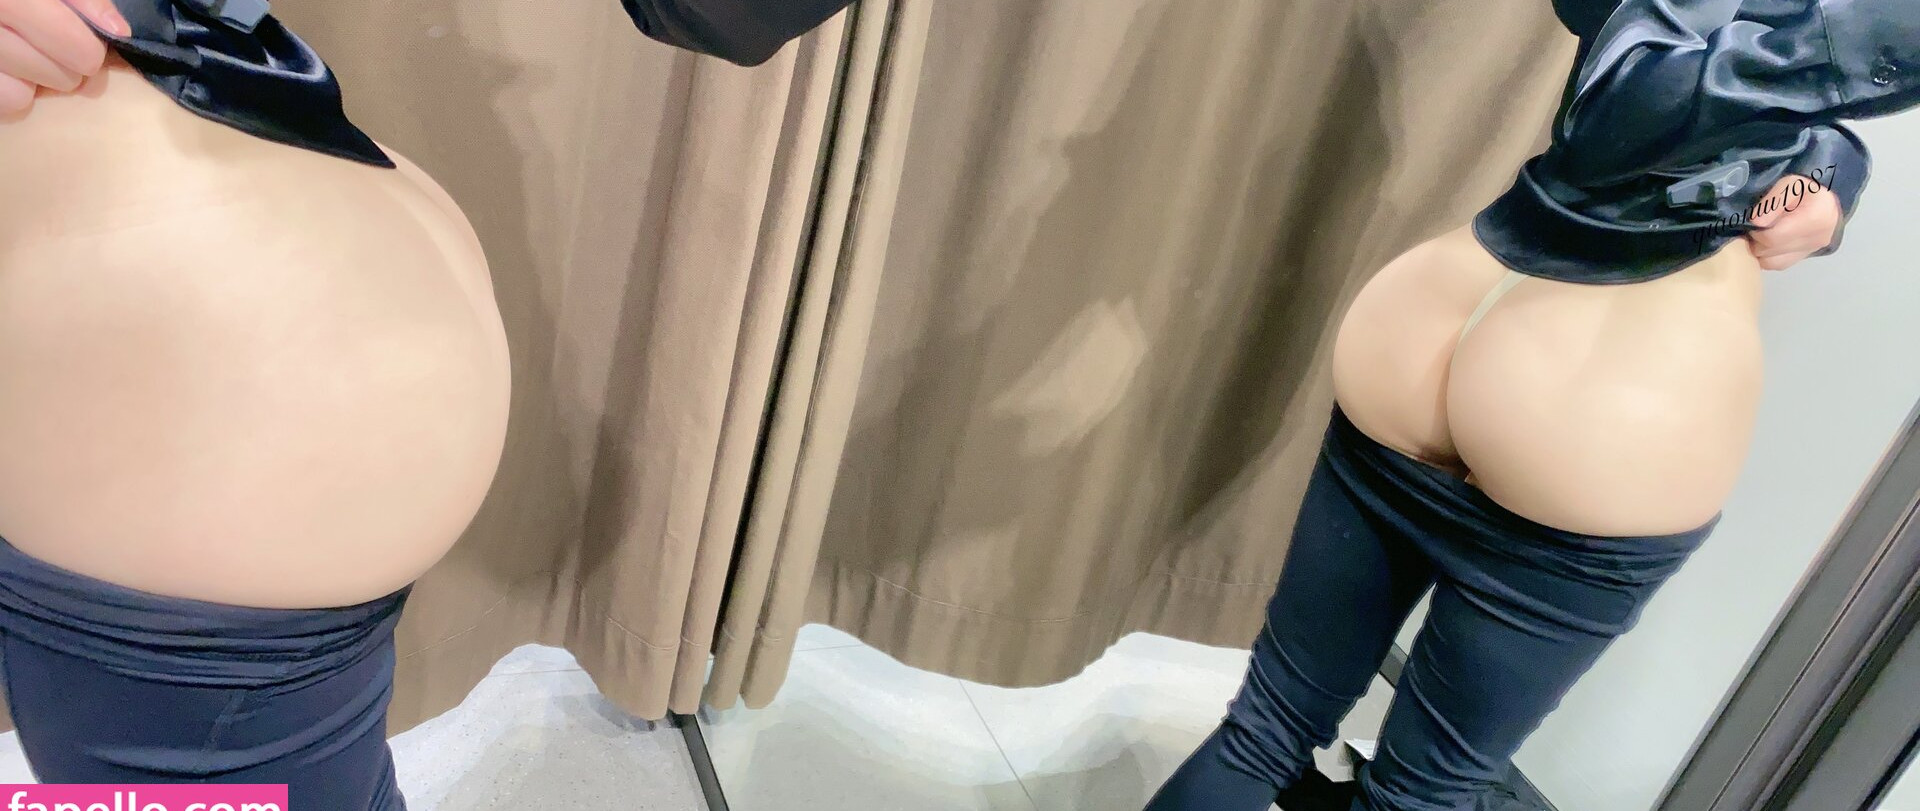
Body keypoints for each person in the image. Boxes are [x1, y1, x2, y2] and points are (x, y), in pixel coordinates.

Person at [1141, 0, 1920, 810]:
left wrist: (1831, 161)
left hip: (1432, 321)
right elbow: (1627, 104)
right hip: (1604, 397)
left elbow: (1656, 50)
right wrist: (1846, 55)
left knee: (1266, 726)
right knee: (1418, 793)